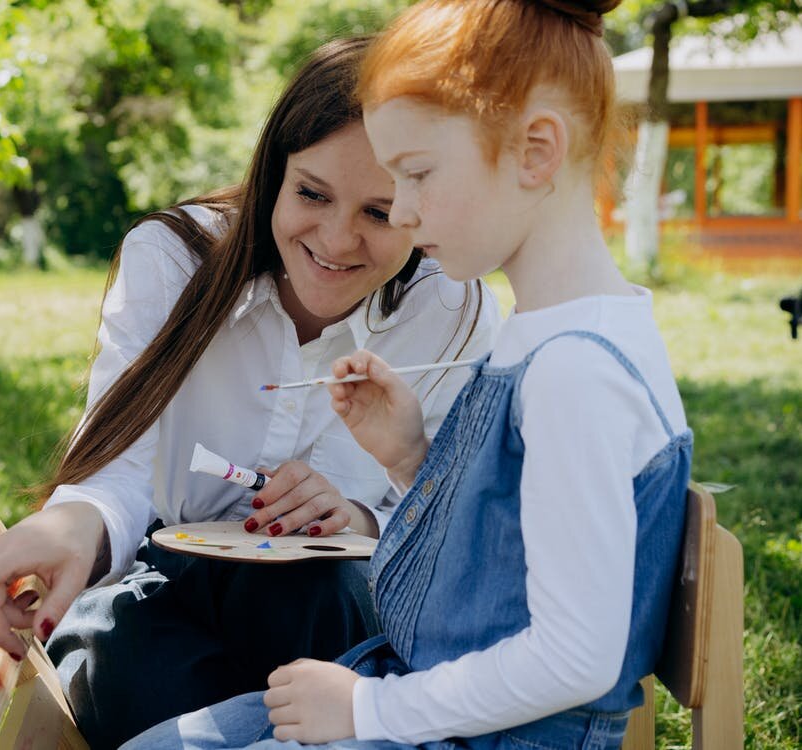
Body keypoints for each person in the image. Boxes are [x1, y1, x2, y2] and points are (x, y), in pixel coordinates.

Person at [121, 1, 693, 748]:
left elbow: (577, 658)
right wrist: (408, 457)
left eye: (414, 179)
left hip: (474, 731)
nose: (408, 219)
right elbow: (511, 548)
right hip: (425, 699)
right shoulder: (547, 336)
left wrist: (367, 711)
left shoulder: (577, 370)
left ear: (535, 151)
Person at [0, 35, 498, 749]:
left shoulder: (449, 310)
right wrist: (70, 527)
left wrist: (353, 514)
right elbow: (120, 465)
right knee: (135, 672)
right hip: (158, 582)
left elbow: (437, 512)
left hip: (331, 600)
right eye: (311, 194)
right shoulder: (172, 260)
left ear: (421, 206)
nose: (335, 238)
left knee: (318, 616)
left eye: (377, 214)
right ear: (272, 175)